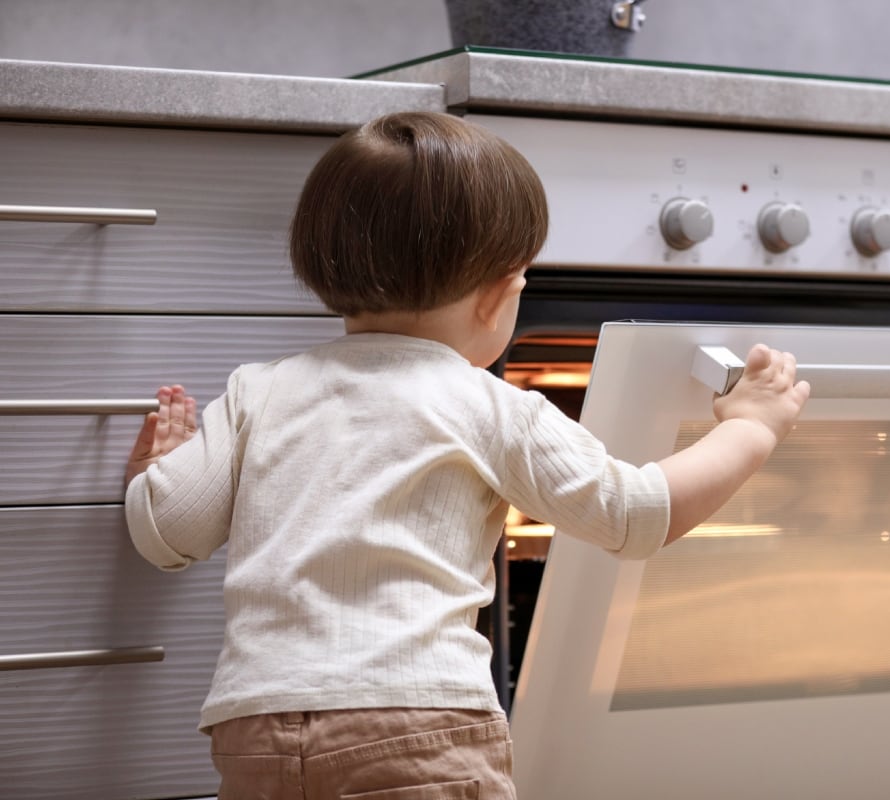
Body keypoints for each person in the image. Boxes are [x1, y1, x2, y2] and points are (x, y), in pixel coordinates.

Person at [123, 111, 810, 800]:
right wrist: (752, 428)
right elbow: (635, 514)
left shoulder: (257, 391)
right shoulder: (487, 405)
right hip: (420, 723)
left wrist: (156, 468)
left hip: (256, 729)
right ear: (500, 297)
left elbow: (167, 535)